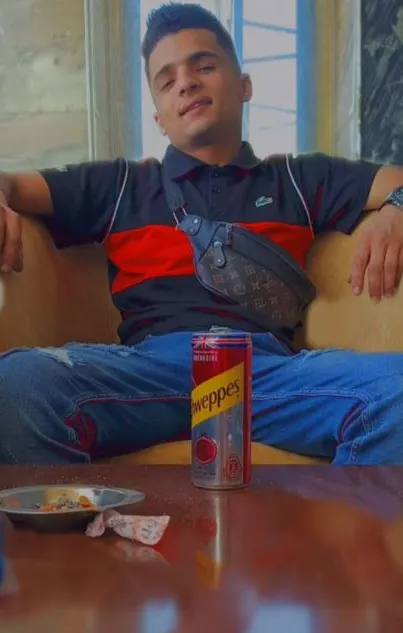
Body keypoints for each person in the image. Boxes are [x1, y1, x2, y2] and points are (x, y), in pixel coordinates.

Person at [1, 3, 403, 466]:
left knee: (394, 392)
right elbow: (11, 182)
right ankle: (77, 537)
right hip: (148, 371)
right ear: (159, 118)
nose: (186, 83)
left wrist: (394, 211)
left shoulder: (296, 176)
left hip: (265, 373)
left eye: (204, 65)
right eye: (166, 80)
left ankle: (344, 538)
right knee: (18, 384)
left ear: (244, 85)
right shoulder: (121, 184)